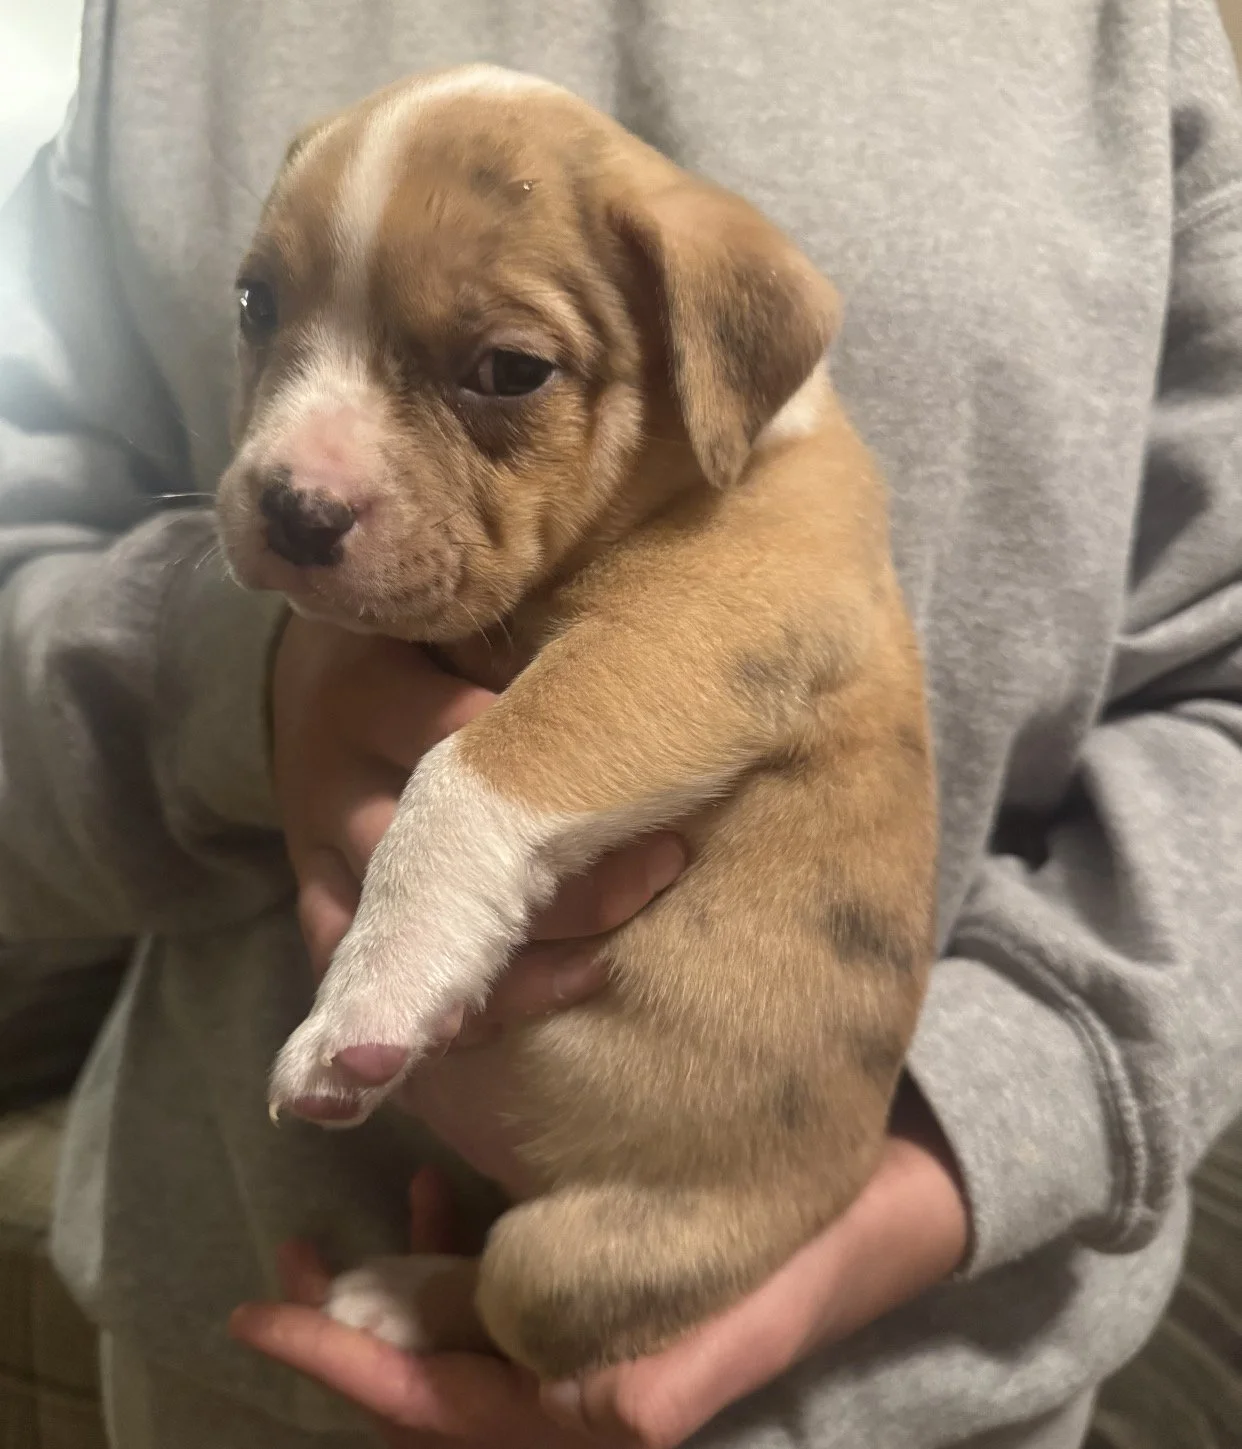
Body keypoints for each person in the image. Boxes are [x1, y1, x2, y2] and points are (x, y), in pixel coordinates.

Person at [1, 0, 1240, 1445]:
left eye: (504, 370)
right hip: (233, 1335)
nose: (297, 467)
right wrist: (229, 679)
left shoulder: (1119, 34)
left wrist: (921, 1170)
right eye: (264, 312)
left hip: (898, 1380)